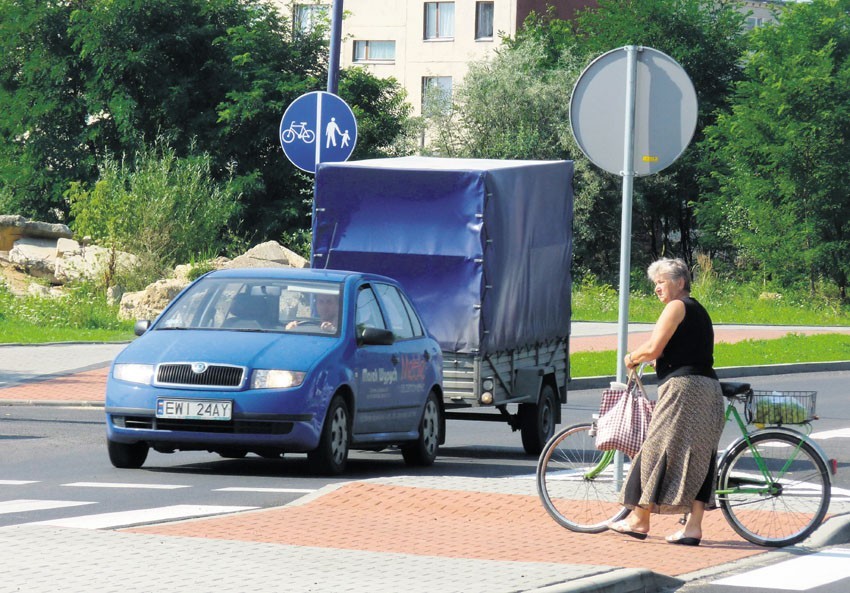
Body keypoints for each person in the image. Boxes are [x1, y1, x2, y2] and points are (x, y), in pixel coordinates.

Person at [607, 257, 725, 546]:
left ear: (680, 282)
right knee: (700, 457)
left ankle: (639, 520)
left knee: (654, 449)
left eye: (661, 282)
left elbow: (654, 348)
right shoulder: (699, 310)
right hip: (710, 388)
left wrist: (631, 358)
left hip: (684, 388)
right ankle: (692, 528)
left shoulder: (677, 306)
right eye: (655, 283)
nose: (657, 288)